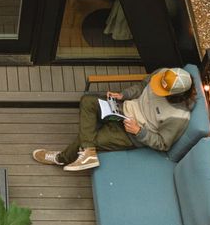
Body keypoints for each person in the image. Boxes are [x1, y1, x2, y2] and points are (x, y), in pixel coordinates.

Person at [33, 67, 196, 172]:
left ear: (177, 95)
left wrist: (139, 131)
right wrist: (123, 95)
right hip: (120, 108)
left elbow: (162, 143)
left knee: (89, 138)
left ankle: (60, 158)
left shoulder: (178, 116)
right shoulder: (163, 74)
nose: (156, 88)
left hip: (130, 134)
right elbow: (141, 87)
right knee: (88, 101)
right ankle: (88, 152)